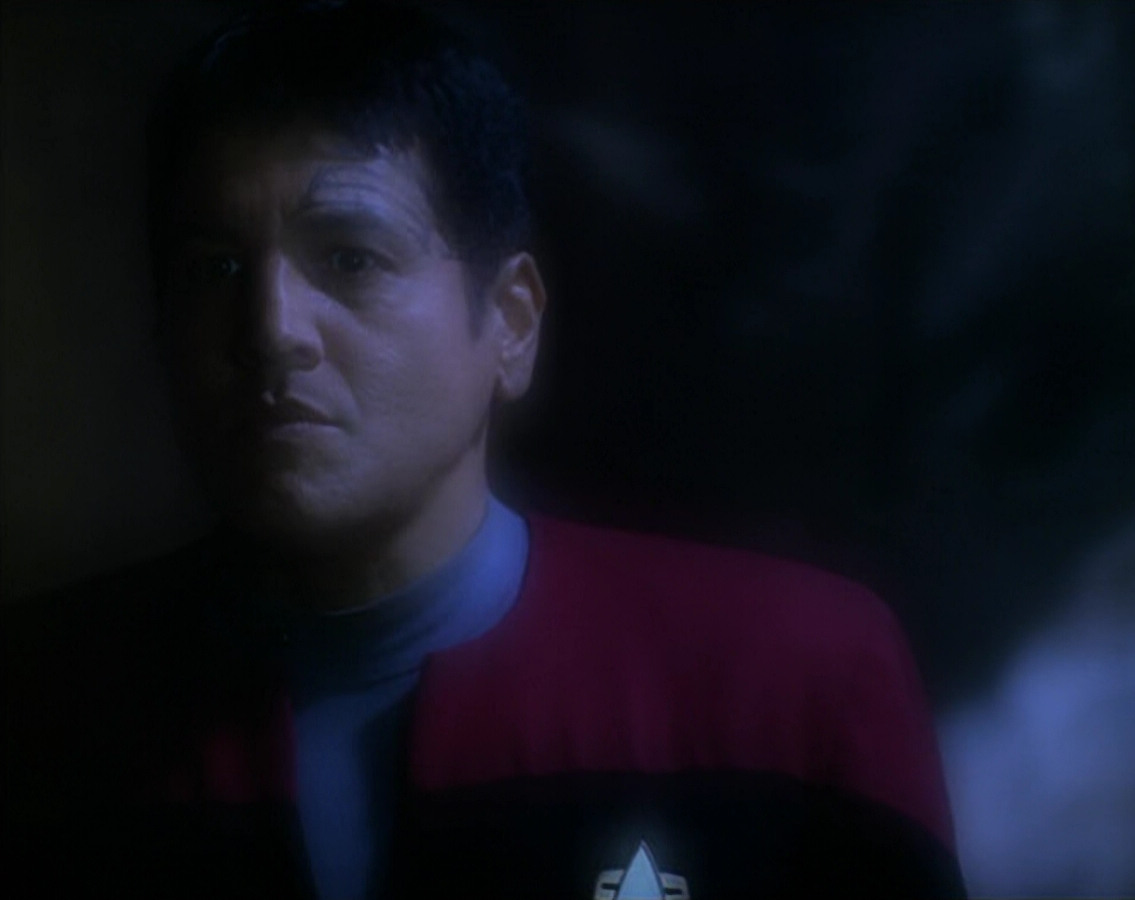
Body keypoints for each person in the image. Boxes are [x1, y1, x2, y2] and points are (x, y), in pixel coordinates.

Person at [1, 2, 966, 897]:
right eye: (215, 268)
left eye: (350, 257)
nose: (271, 329)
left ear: (509, 322)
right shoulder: (40, 714)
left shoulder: (791, 687)